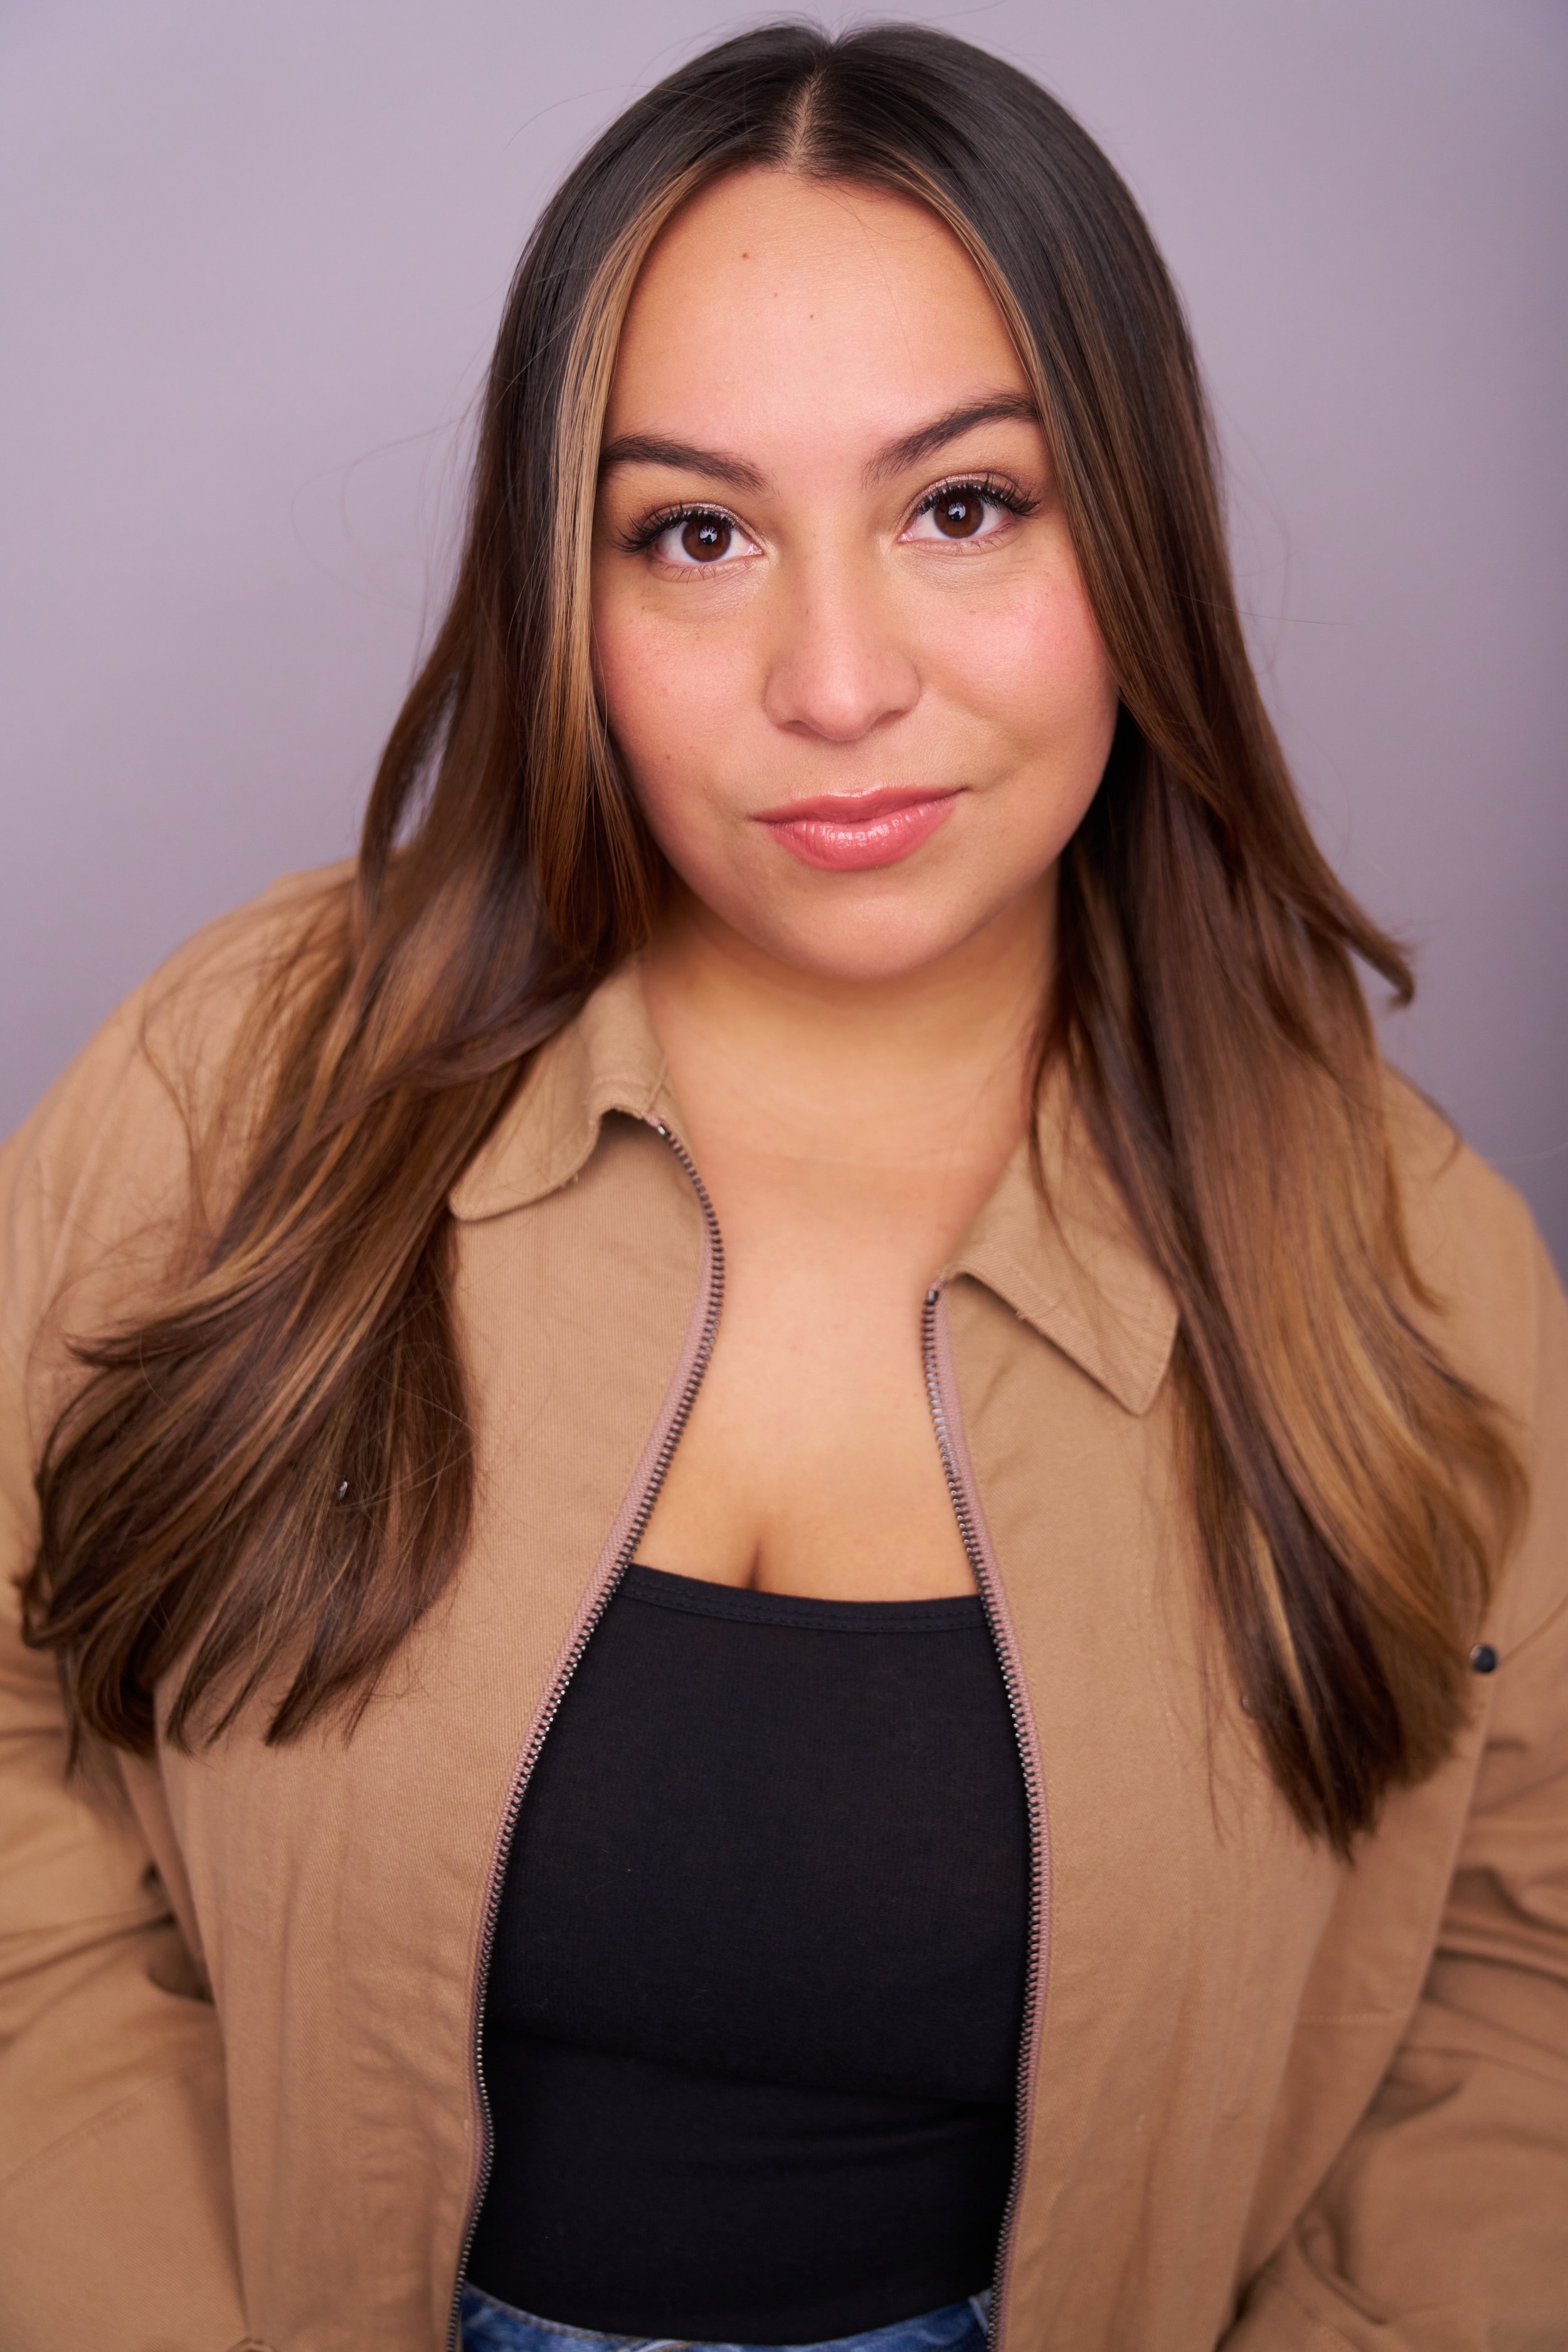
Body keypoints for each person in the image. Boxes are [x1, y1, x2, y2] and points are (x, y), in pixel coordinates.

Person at [2, 20, 1564, 2352]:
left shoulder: (1406, 1251)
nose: (835, 682)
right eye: (695, 532)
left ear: (1127, 532)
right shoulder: (243, 1078)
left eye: (963, 506)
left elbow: (1514, 1974)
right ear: (571, 590)